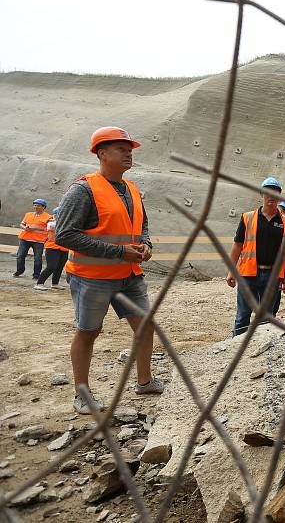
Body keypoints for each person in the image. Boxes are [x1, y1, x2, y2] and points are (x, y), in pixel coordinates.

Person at [56, 126, 163, 414]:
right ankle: (82, 395)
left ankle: (144, 381)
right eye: (121, 148)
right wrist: (118, 251)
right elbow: (64, 235)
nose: (128, 153)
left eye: (129, 149)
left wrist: (145, 244)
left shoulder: (131, 188)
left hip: (129, 275)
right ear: (102, 154)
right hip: (93, 277)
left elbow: (141, 225)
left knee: (145, 325)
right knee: (88, 332)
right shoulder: (83, 190)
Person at [226, 177, 285, 337]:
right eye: (268, 192)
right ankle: (236, 347)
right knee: (243, 315)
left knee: (266, 318)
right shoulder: (247, 218)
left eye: (275, 193)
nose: (271, 196)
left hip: (273, 276)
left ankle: (261, 349)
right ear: (262, 194)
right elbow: (237, 246)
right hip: (247, 274)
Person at [34, 207, 69, 291]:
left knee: (59, 267)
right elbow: (56, 226)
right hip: (52, 247)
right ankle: (39, 283)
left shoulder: (66, 222)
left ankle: (55, 283)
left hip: (64, 248)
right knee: (51, 266)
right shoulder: (51, 223)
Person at [15, 199, 51, 279]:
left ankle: (36, 274)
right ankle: (20, 270)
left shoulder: (48, 217)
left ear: (43, 207)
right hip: (25, 239)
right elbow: (22, 224)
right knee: (20, 256)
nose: (36, 207)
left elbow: (49, 229)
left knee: (37, 258)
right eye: (34, 205)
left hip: (38, 241)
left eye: (38, 205)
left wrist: (35, 227)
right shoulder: (28, 214)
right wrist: (25, 227)